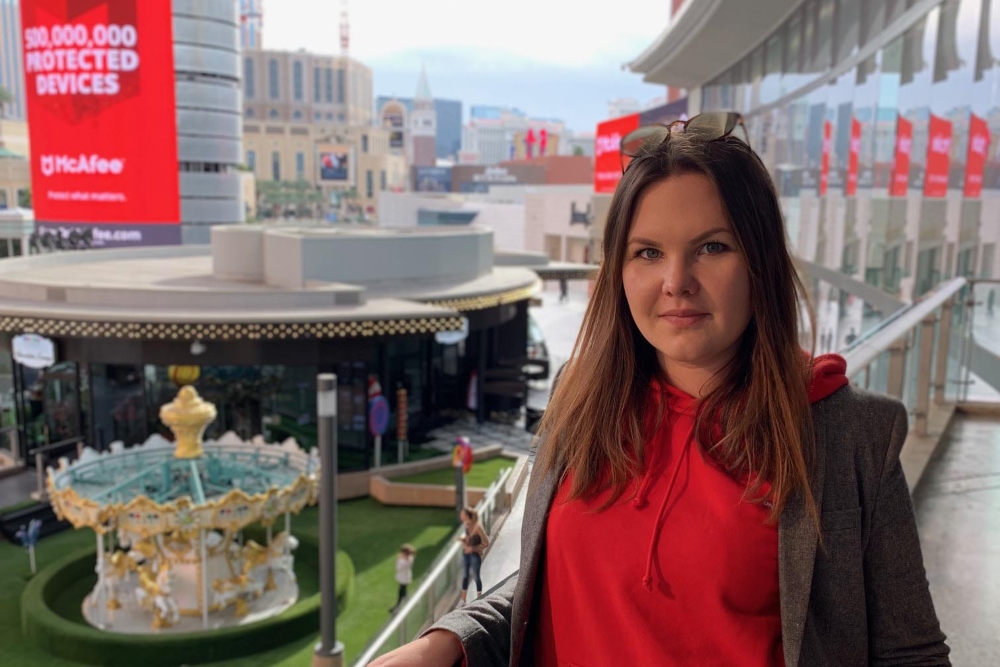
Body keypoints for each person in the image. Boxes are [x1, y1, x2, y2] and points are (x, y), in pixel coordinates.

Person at [369, 113, 949, 666]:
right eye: (648, 253)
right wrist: (449, 639)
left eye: (712, 247)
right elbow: (556, 593)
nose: (676, 283)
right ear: (618, 272)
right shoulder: (582, 399)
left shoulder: (847, 437)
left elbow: (909, 654)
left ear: (762, 263)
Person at [457, 506, 489, 605]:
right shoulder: (467, 525)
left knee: (476, 577)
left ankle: (479, 598)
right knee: (465, 576)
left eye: (462, 514)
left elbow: (486, 542)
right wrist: (462, 540)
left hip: (475, 556)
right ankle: (463, 600)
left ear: (467, 515)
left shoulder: (478, 527)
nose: (460, 515)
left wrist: (474, 549)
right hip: (466, 555)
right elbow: (468, 540)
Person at [389, 544, 416, 614]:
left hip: (403, 577)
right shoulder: (410, 558)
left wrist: (398, 560)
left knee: (402, 592)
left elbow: (398, 569)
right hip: (405, 576)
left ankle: (402, 605)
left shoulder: (403, 561)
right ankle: (398, 606)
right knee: (402, 591)